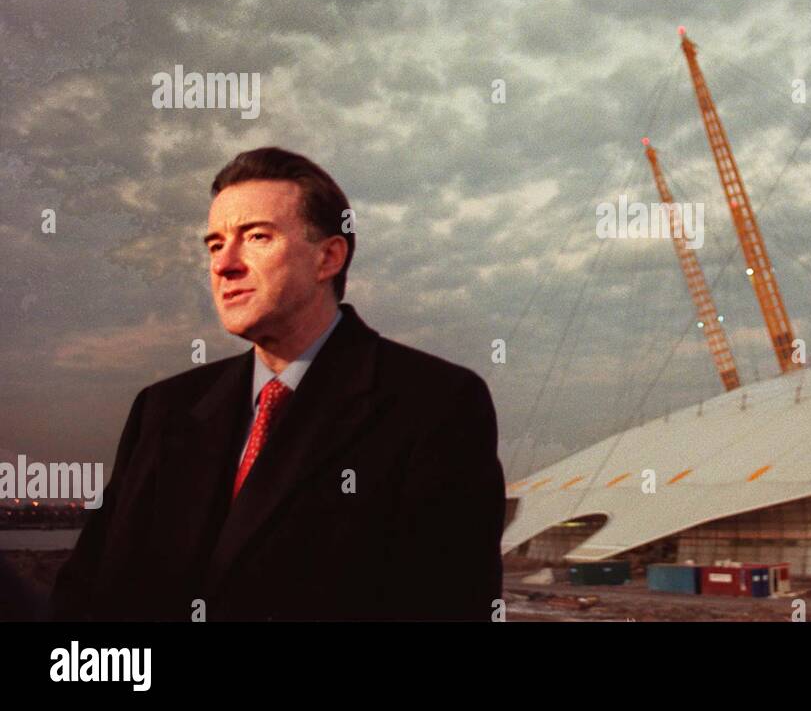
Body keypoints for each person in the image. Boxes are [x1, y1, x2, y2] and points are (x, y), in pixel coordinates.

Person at [50, 147, 505, 621]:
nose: (224, 265)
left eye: (256, 237)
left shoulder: (433, 405)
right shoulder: (162, 409)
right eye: (214, 244)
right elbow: (86, 597)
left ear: (328, 256)